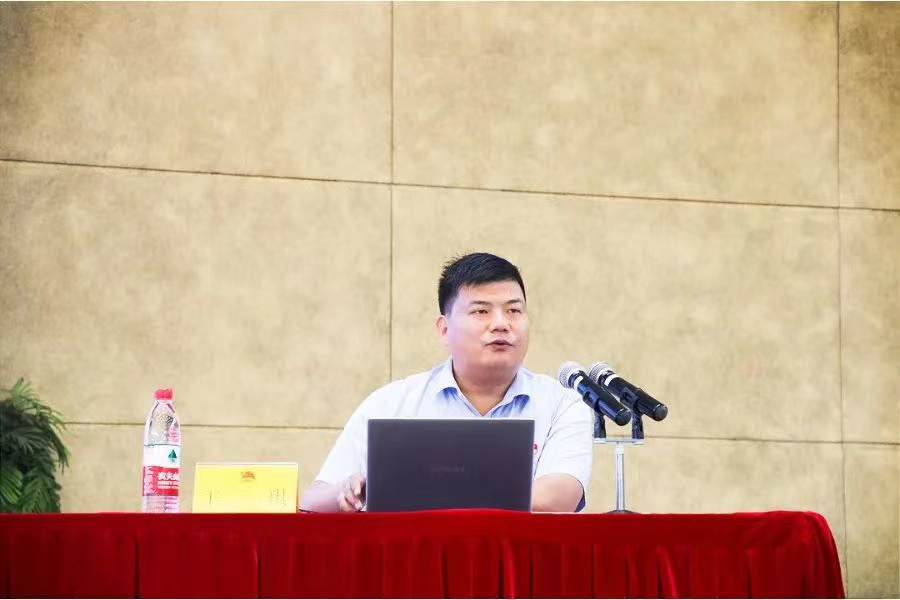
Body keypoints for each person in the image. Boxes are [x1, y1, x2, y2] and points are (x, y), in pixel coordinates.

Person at [300, 252, 592, 513]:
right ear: (444, 329)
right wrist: (346, 491)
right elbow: (313, 501)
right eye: (481, 311)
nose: (501, 323)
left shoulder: (562, 404)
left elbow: (558, 498)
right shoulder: (391, 403)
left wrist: (409, 491)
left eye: (514, 310)